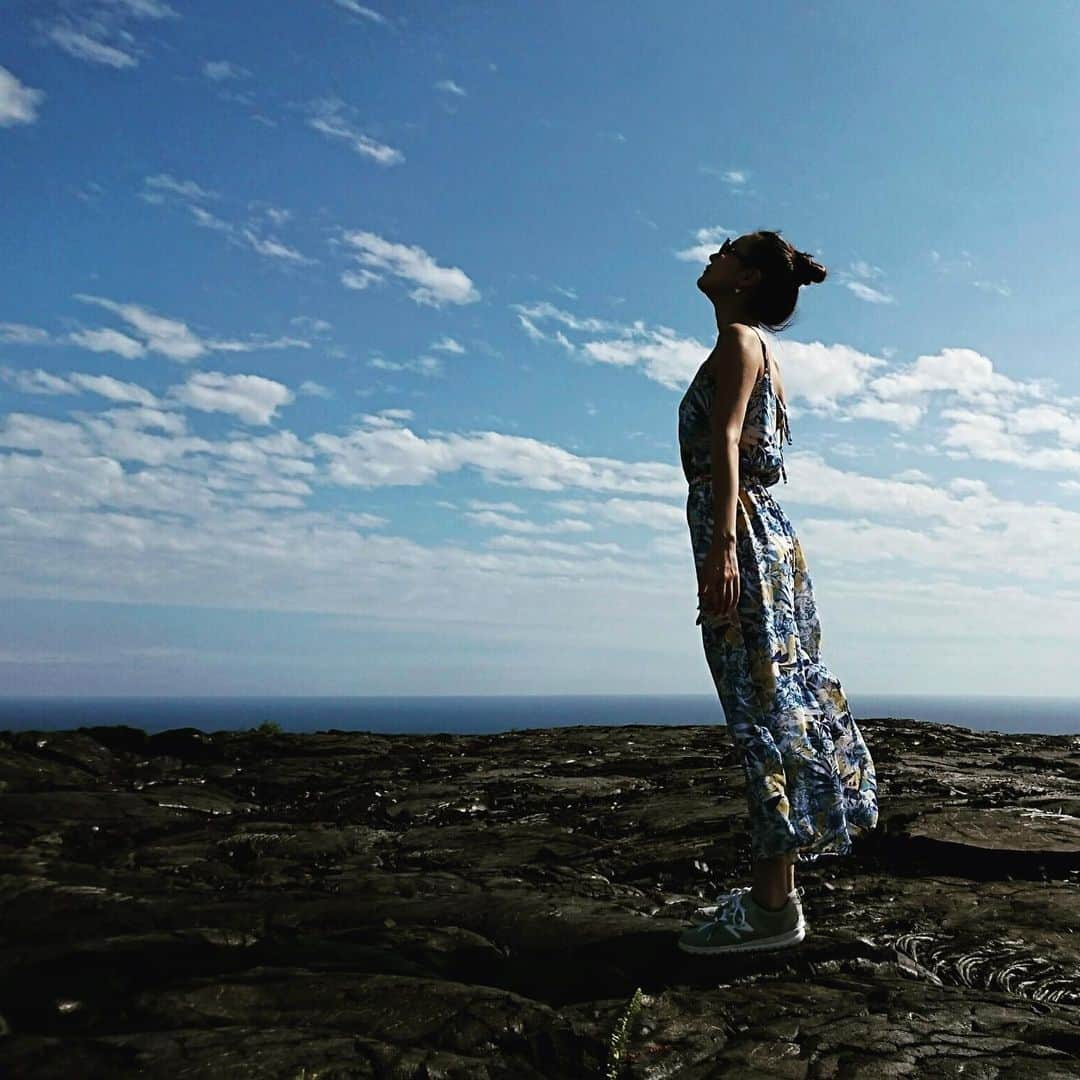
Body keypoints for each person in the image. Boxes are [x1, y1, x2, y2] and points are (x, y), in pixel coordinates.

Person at [675, 230, 879, 956]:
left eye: (726, 249)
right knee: (774, 704)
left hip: (745, 538)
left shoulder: (737, 339)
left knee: (760, 713)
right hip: (767, 536)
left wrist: (723, 548)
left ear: (746, 276)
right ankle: (775, 894)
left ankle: (770, 911)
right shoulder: (756, 346)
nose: (712, 254)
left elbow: (727, 441)